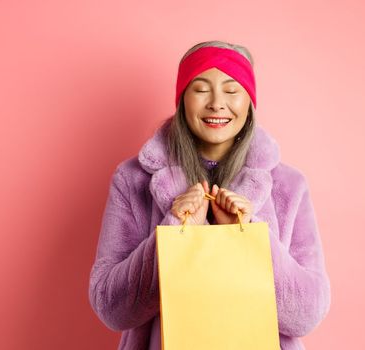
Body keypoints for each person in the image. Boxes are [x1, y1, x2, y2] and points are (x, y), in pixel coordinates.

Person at [88, 40, 330, 350]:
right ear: (182, 100)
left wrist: (249, 234)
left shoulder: (289, 185)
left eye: (232, 90)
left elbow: (309, 313)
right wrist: (175, 229)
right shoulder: (132, 179)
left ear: (249, 102)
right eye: (201, 89)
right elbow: (111, 307)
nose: (217, 103)